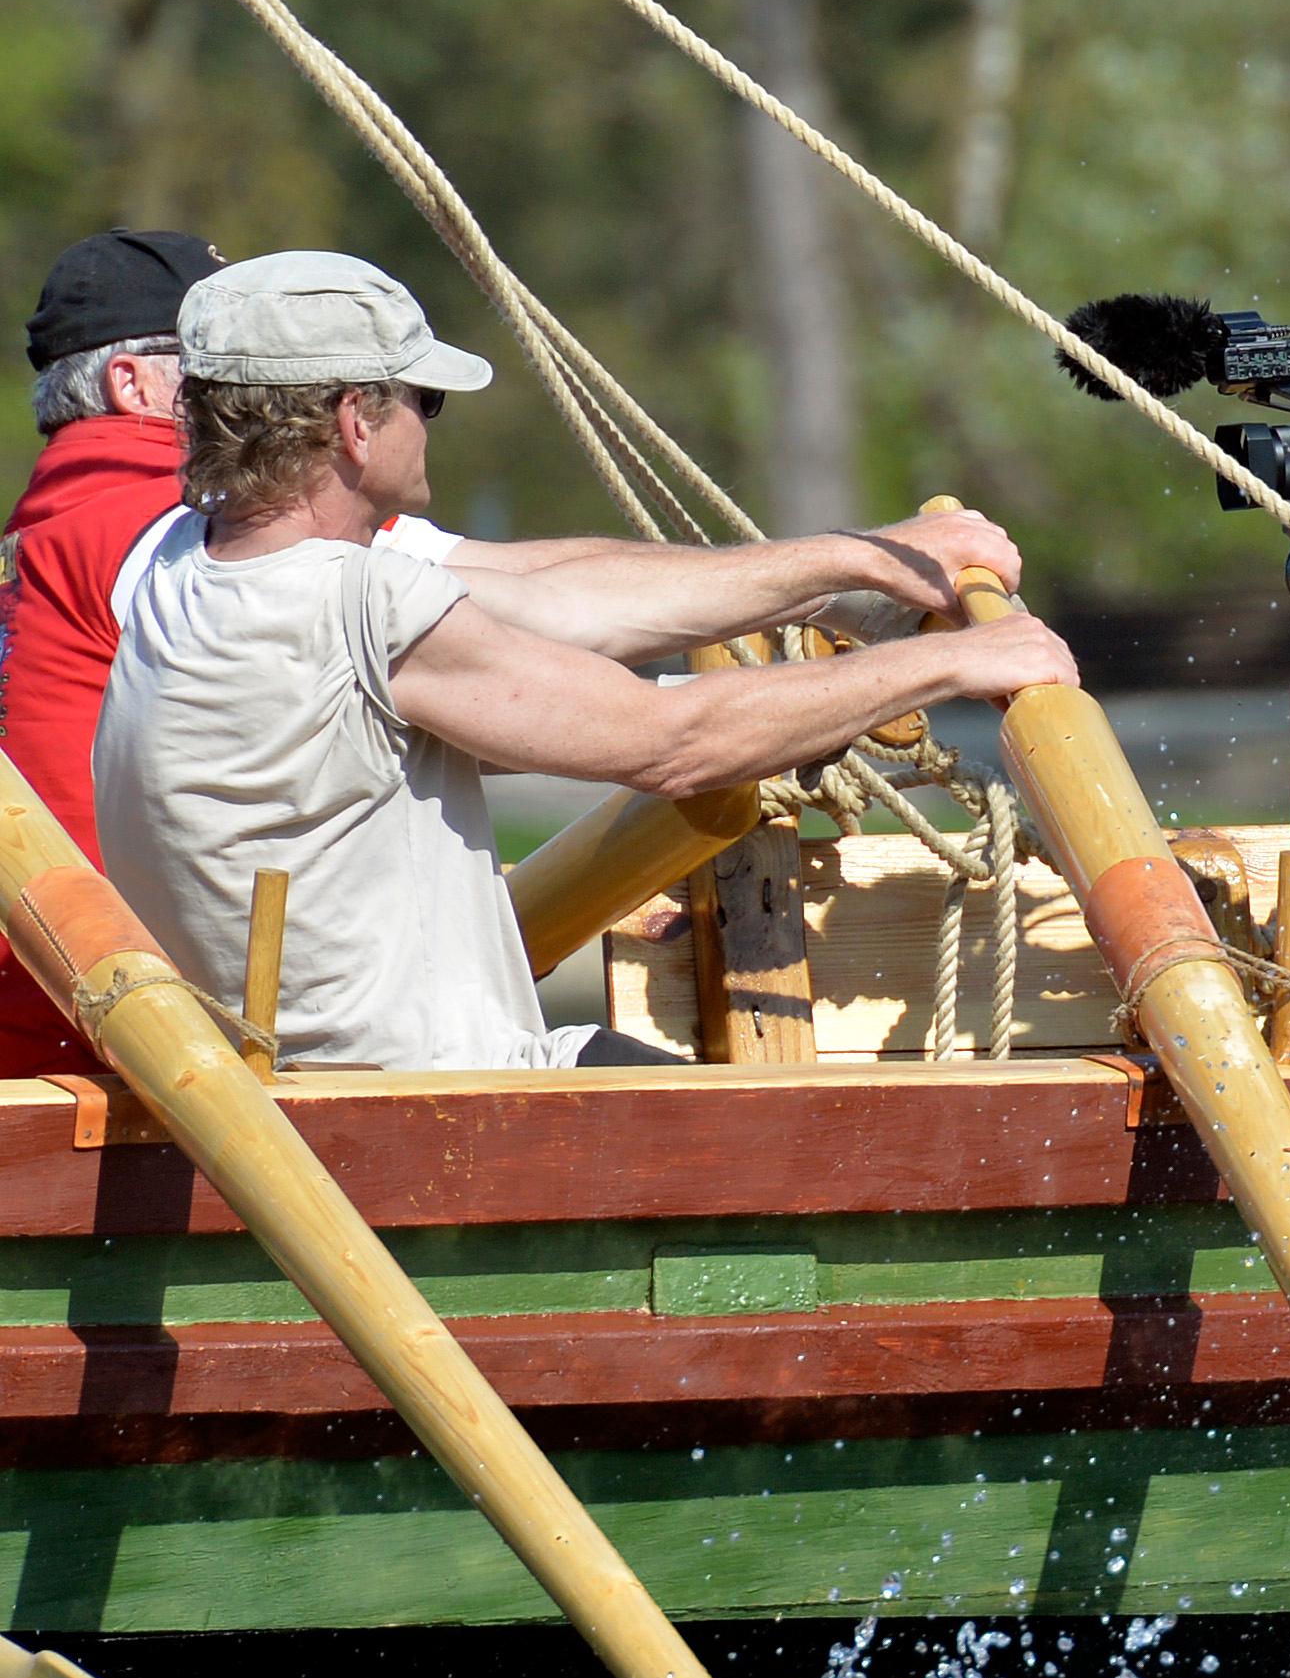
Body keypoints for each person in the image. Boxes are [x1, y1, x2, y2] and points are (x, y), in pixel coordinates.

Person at [95, 252, 1079, 1071]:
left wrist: (856, 561)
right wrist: (956, 665)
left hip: (311, 1106)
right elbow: (675, 745)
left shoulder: (187, 564)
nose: (430, 422)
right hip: (429, 1120)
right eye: (423, 398)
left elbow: (566, 602)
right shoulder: (355, 601)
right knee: (837, 1157)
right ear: (356, 419)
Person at [5, 229, 225, 869]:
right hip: (122, 964)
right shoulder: (173, 520)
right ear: (131, 385)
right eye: (218, 362)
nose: (255, 387)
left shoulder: (41, 526)